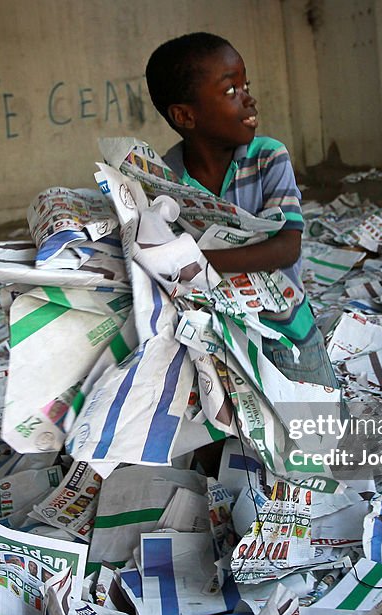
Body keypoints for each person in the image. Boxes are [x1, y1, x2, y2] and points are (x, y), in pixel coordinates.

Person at [145, 33, 337, 389]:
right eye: (231, 90)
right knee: (223, 439)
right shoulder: (164, 179)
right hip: (212, 343)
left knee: (322, 433)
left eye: (245, 84)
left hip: (287, 334)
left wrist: (193, 258)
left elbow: (286, 248)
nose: (250, 99)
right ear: (185, 115)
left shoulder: (268, 157)